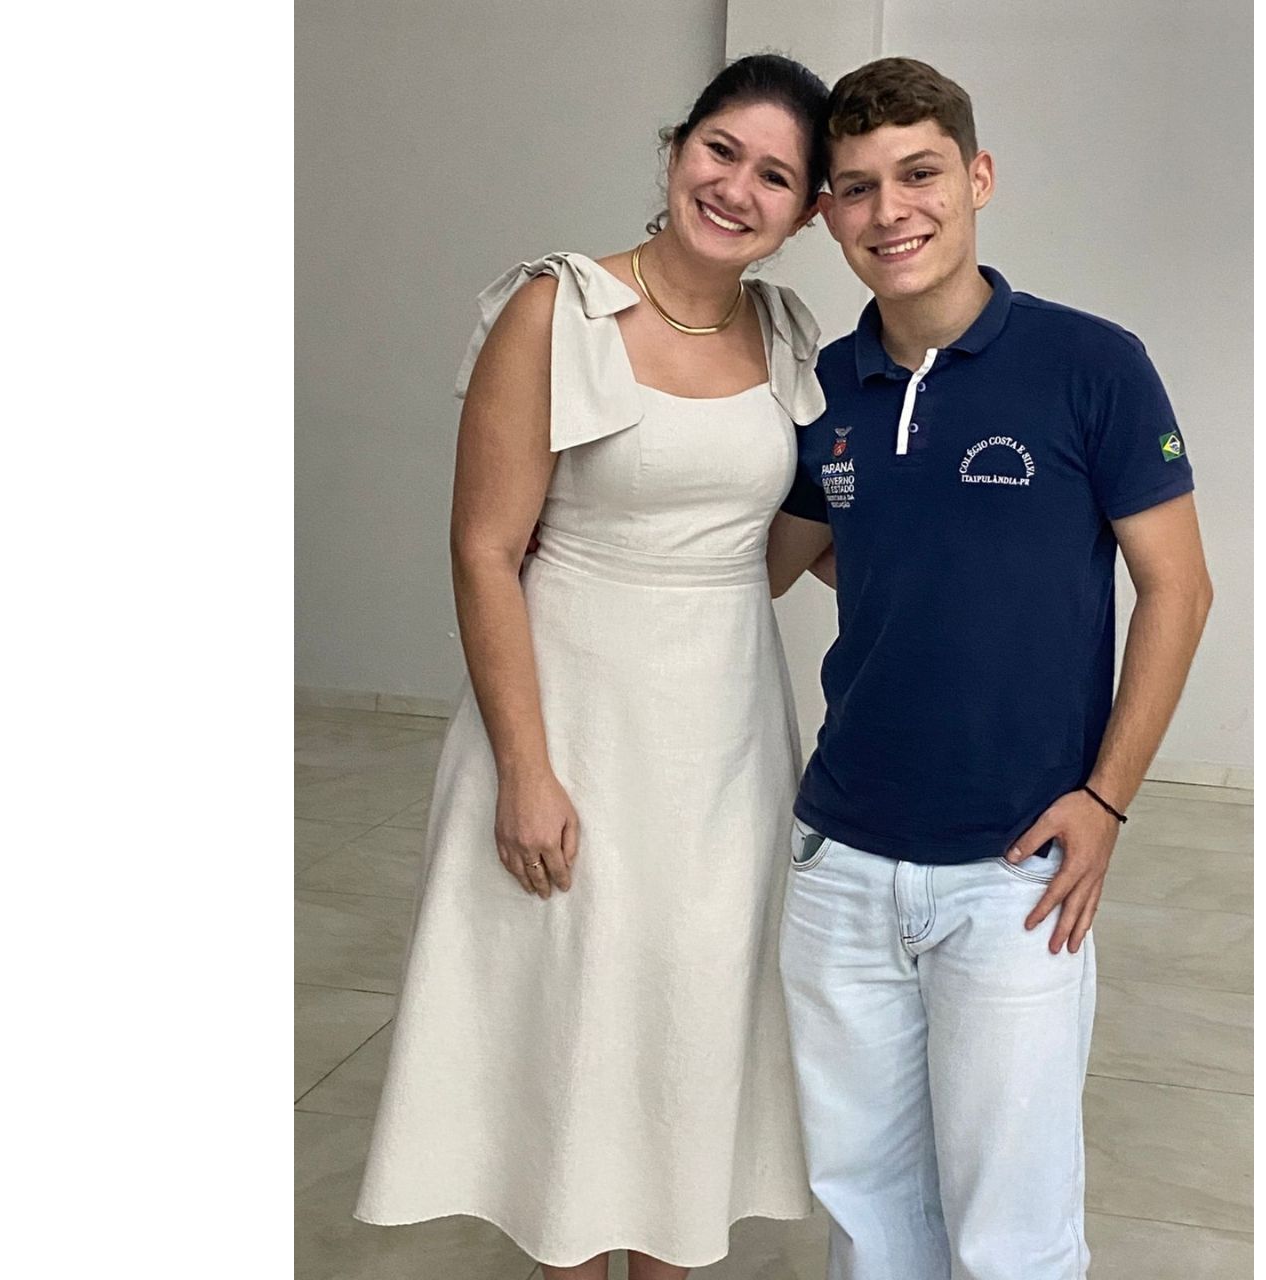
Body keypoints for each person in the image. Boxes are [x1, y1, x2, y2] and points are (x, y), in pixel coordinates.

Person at [355, 54, 832, 1280]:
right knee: (575, 1041)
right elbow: (483, 548)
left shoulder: (790, 335)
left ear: (804, 212)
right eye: (720, 150)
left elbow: (775, 551)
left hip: (725, 744)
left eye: (775, 176)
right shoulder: (555, 309)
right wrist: (526, 770)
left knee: (689, 1039)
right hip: (570, 726)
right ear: (677, 147)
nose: (736, 188)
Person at [763, 57, 1216, 1279]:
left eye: (918, 174)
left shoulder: (1091, 363)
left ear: (978, 177)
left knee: (1011, 1229)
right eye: (857, 188)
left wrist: (1107, 798)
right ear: (827, 214)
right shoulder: (829, 388)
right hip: (840, 853)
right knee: (867, 1208)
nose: (890, 211)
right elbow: (776, 556)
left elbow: (1179, 588)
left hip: (1016, 867)